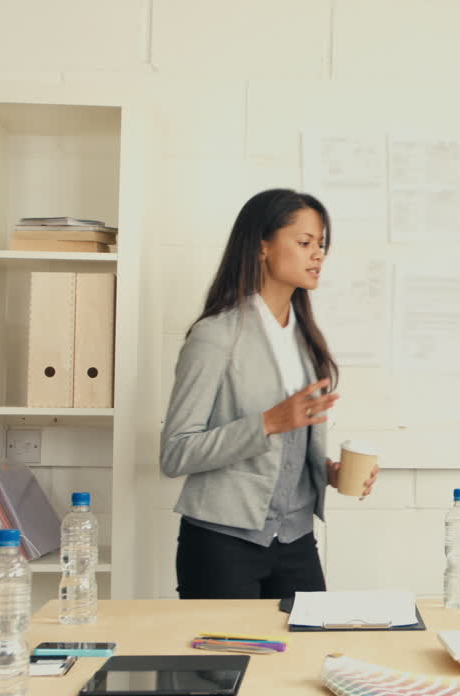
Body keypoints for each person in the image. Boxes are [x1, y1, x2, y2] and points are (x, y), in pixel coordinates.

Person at [160, 189, 377, 599]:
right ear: (262, 246)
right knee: (223, 665)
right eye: (305, 243)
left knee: (307, 659)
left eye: (322, 245)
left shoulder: (306, 340)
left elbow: (289, 449)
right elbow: (175, 453)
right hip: (221, 544)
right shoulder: (215, 336)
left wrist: (327, 473)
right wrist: (269, 422)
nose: (318, 255)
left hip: (295, 538)